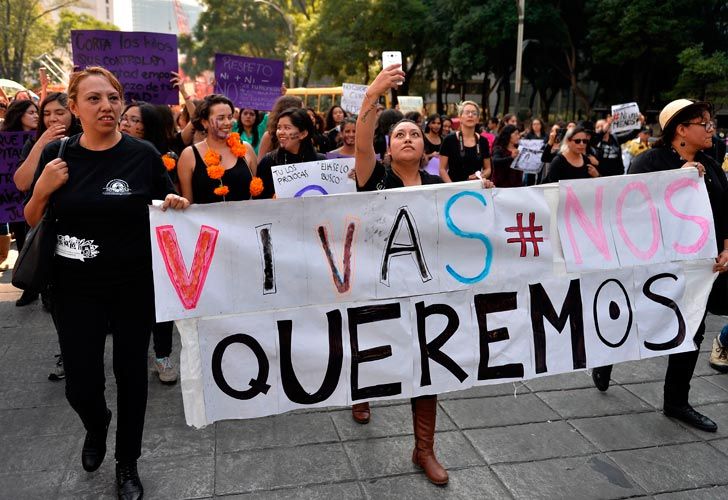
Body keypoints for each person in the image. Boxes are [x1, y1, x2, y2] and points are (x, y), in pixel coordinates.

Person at [23, 66, 189, 499]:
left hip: (133, 287)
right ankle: (96, 425)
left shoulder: (144, 155)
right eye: (94, 99)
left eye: (113, 98)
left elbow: (165, 205)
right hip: (74, 290)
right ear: (74, 108)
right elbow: (31, 219)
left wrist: (173, 202)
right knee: (81, 385)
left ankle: (127, 463)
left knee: (132, 376)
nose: (107, 107)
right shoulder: (58, 155)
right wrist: (42, 190)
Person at [353, 64, 493, 486]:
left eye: (415, 134)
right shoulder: (373, 178)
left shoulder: (438, 185)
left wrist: (481, 198)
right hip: (379, 287)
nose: (409, 138)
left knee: (427, 364)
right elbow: (361, 143)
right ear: (388, 149)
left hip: (429, 290)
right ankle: (362, 393)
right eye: (400, 135)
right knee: (375, 351)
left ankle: (423, 449)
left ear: (425, 147)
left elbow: (464, 228)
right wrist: (371, 97)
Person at [592, 99, 728, 433]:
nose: (711, 130)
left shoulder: (711, 165)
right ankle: (605, 356)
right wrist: (675, 182)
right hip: (655, 266)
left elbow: (725, 210)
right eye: (704, 124)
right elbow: (630, 209)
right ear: (681, 130)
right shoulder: (648, 162)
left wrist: (726, 246)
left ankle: (676, 401)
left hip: (698, 268)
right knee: (638, 317)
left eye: (711, 124)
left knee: (692, 329)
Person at [118, 101, 181, 385]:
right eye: (125, 118)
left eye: (135, 120)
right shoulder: (103, 151)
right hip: (119, 246)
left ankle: (163, 355)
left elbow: (168, 195)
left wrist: (172, 200)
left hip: (152, 242)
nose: (126, 123)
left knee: (159, 302)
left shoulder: (157, 156)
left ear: (148, 127)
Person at [177, 94, 258, 204]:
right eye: (221, 118)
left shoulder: (246, 148)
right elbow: (188, 202)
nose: (227, 123)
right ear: (204, 122)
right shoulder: (189, 155)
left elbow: (258, 195)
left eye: (230, 117)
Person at [1, 99, 40, 305]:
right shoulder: (4, 140)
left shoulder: (43, 137)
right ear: (18, 115)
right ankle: (30, 288)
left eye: (36, 112)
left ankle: (44, 289)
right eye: (30, 112)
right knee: (25, 244)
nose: (35, 115)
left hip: (35, 199)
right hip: (11, 203)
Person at [255, 107, 326, 199]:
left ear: (303, 134)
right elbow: (258, 200)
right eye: (279, 127)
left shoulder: (321, 162)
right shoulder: (268, 161)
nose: (281, 132)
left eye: (287, 128)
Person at [439, 101, 491, 182]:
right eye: (467, 112)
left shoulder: (483, 141)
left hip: (475, 189)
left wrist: (480, 176)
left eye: (474, 113)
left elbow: (488, 168)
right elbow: (442, 169)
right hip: (454, 189)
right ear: (460, 117)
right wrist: (452, 187)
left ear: (477, 119)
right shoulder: (449, 140)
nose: (470, 115)